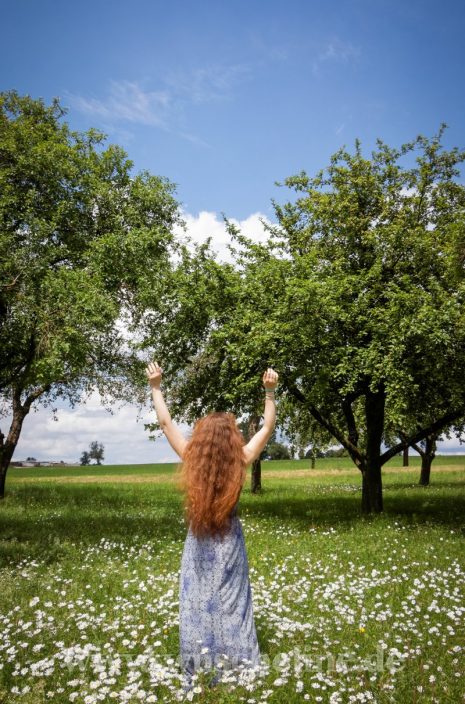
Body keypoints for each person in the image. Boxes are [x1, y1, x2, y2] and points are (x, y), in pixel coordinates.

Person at [145, 362, 278, 690]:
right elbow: (267, 429)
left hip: (200, 540)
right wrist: (270, 392)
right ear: (231, 440)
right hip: (229, 543)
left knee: (196, 602)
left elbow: (165, 423)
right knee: (233, 603)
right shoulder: (241, 459)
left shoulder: (192, 457)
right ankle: (240, 672)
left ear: (202, 440)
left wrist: (156, 387)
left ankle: (201, 669)